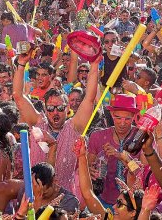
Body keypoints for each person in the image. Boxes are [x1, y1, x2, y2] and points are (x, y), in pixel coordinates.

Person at [13, 49, 100, 192]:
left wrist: (95, 64)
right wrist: (21, 64)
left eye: (60, 108)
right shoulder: (38, 124)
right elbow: (18, 96)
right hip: (36, 196)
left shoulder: (74, 127)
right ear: (45, 109)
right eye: (51, 108)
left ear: (67, 109)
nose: (55, 112)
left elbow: (89, 99)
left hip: (63, 199)